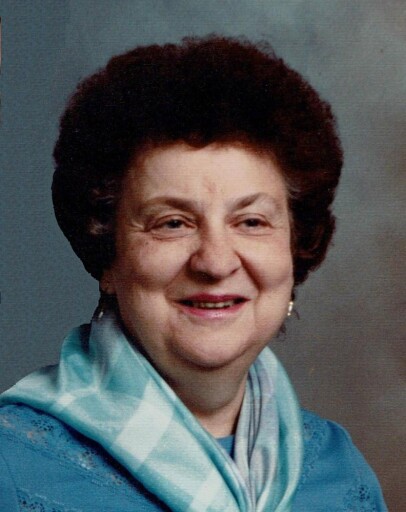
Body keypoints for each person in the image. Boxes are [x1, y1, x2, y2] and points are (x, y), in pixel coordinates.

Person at [0, 36, 387, 511]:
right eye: (173, 223)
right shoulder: (11, 467)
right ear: (108, 257)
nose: (215, 262)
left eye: (251, 222)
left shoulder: (340, 472)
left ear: (295, 249)